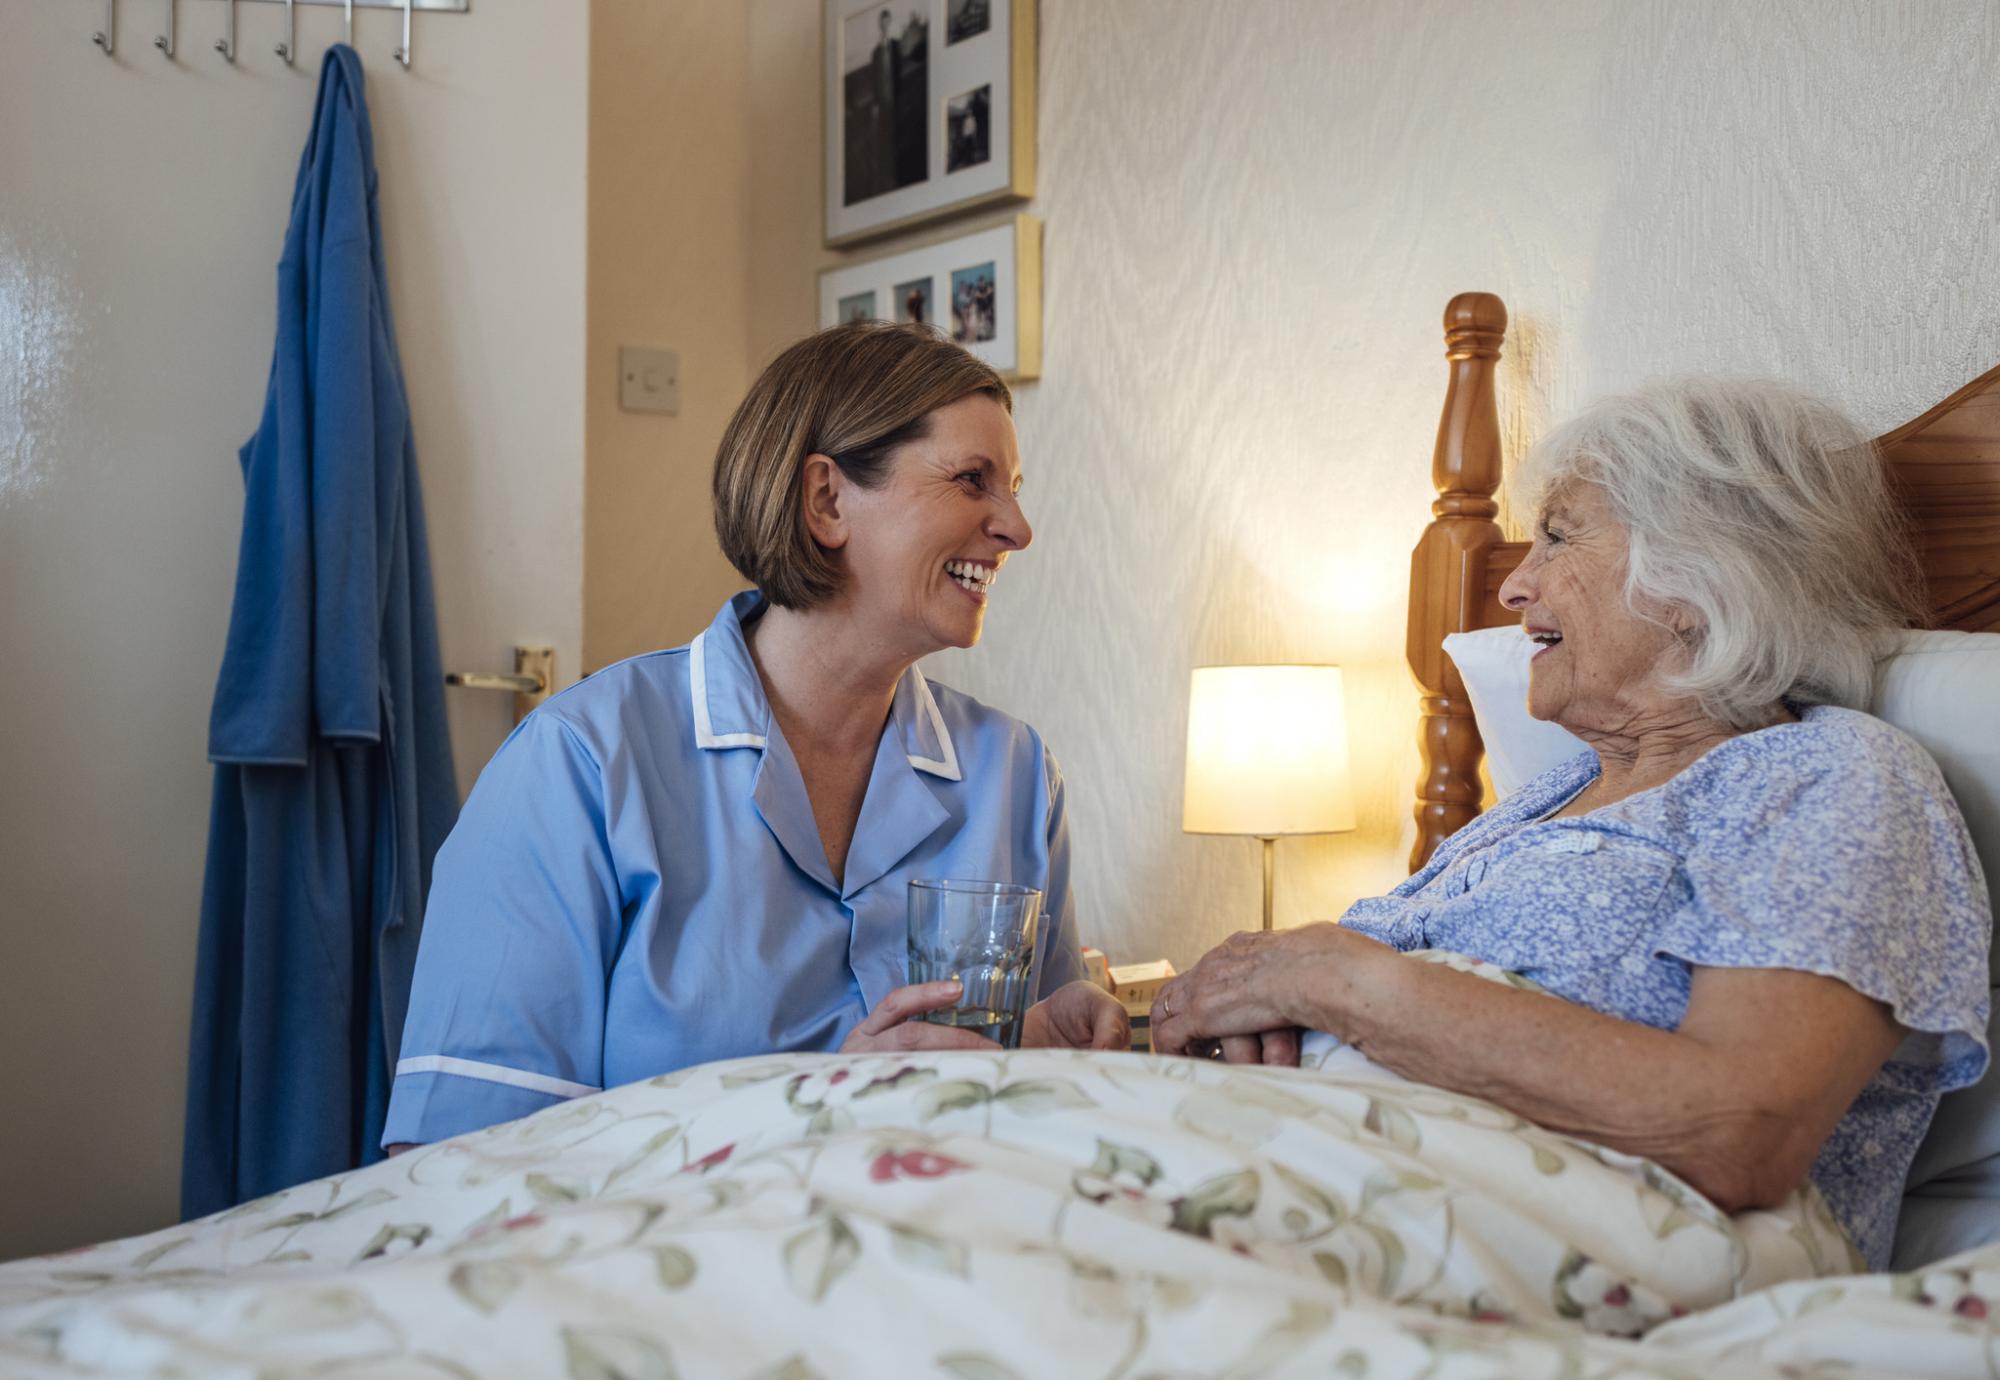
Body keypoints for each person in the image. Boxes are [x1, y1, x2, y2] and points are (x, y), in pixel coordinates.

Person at [1151, 379, 1991, 1270]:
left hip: (1497, 1231)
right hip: (1284, 1162)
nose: (1514, 585)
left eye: (1556, 534)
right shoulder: (1543, 799)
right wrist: (1212, 1008)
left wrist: (1339, 982)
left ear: (1700, 577)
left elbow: (1736, 1128)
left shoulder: (1828, 777)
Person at [384, 322, 1125, 1149]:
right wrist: (818, 1110)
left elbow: (1029, 1124)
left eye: (1015, 488)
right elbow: (460, 1166)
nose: (1017, 528)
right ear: (827, 501)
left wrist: (1058, 1051)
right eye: (973, 481)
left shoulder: (1017, 778)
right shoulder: (579, 767)